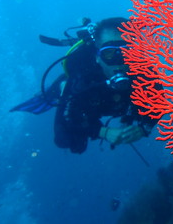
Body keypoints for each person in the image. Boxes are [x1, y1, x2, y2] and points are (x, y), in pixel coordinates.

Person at [11, 17, 158, 154]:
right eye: (109, 54)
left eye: (126, 53)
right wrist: (103, 131)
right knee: (73, 144)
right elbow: (62, 133)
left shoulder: (144, 73)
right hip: (83, 98)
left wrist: (143, 128)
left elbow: (159, 103)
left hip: (113, 105)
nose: (118, 61)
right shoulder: (83, 78)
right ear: (97, 57)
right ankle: (59, 89)